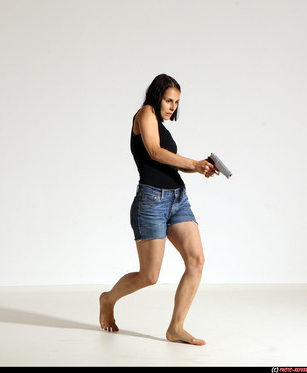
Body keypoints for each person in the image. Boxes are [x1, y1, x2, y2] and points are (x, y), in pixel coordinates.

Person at [99, 74, 217, 346]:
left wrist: (200, 167)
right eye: (168, 99)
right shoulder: (144, 114)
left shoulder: (163, 125)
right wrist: (193, 163)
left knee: (196, 260)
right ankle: (108, 299)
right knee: (149, 276)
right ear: (156, 96)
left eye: (176, 102)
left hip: (178, 200)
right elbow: (154, 152)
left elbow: (170, 162)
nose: (172, 106)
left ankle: (176, 328)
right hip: (151, 202)